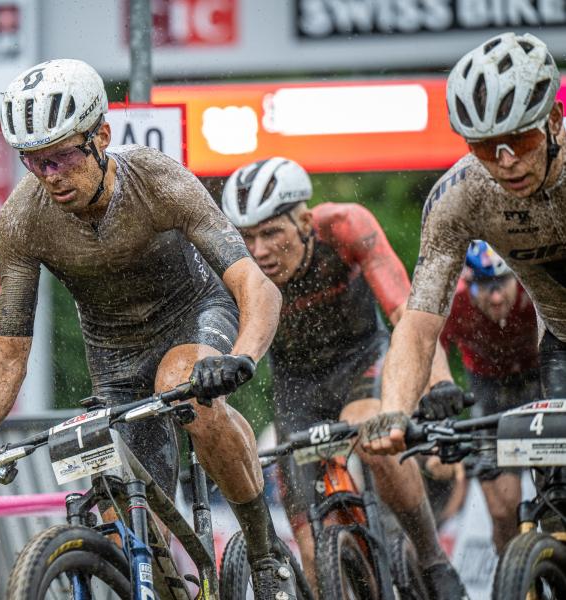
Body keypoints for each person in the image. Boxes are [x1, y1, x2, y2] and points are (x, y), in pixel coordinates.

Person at [0, 59, 295, 599]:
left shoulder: (158, 180)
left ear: (101, 135)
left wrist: (241, 356)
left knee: (182, 384)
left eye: (61, 157)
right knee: (125, 519)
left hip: (193, 315)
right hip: (114, 357)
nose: (50, 176)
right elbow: (8, 352)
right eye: (34, 162)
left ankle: (263, 553)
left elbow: (255, 285)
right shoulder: (22, 220)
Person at [362, 29, 566, 582]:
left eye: (518, 143)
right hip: (561, 339)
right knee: (557, 501)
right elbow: (418, 319)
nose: (503, 163)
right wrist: (397, 410)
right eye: (482, 146)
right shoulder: (461, 197)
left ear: (553, 120)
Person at [219, 157, 467, 596]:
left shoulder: (347, 226)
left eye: (271, 232)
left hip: (361, 363)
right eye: (247, 237)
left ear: (305, 221)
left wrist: (439, 382)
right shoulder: (238, 264)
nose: (258, 251)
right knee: (312, 549)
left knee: (375, 439)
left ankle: (431, 558)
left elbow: (407, 315)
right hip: (296, 386)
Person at [422, 241, 539, 553]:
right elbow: (429, 353)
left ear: (517, 276)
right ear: (469, 284)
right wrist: (439, 425)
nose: (496, 297)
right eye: (485, 287)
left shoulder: (536, 289)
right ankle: (514, 574)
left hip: (540, 379)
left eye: (502, 283)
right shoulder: (456, 301)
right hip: (489, 391)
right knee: (503, 511)